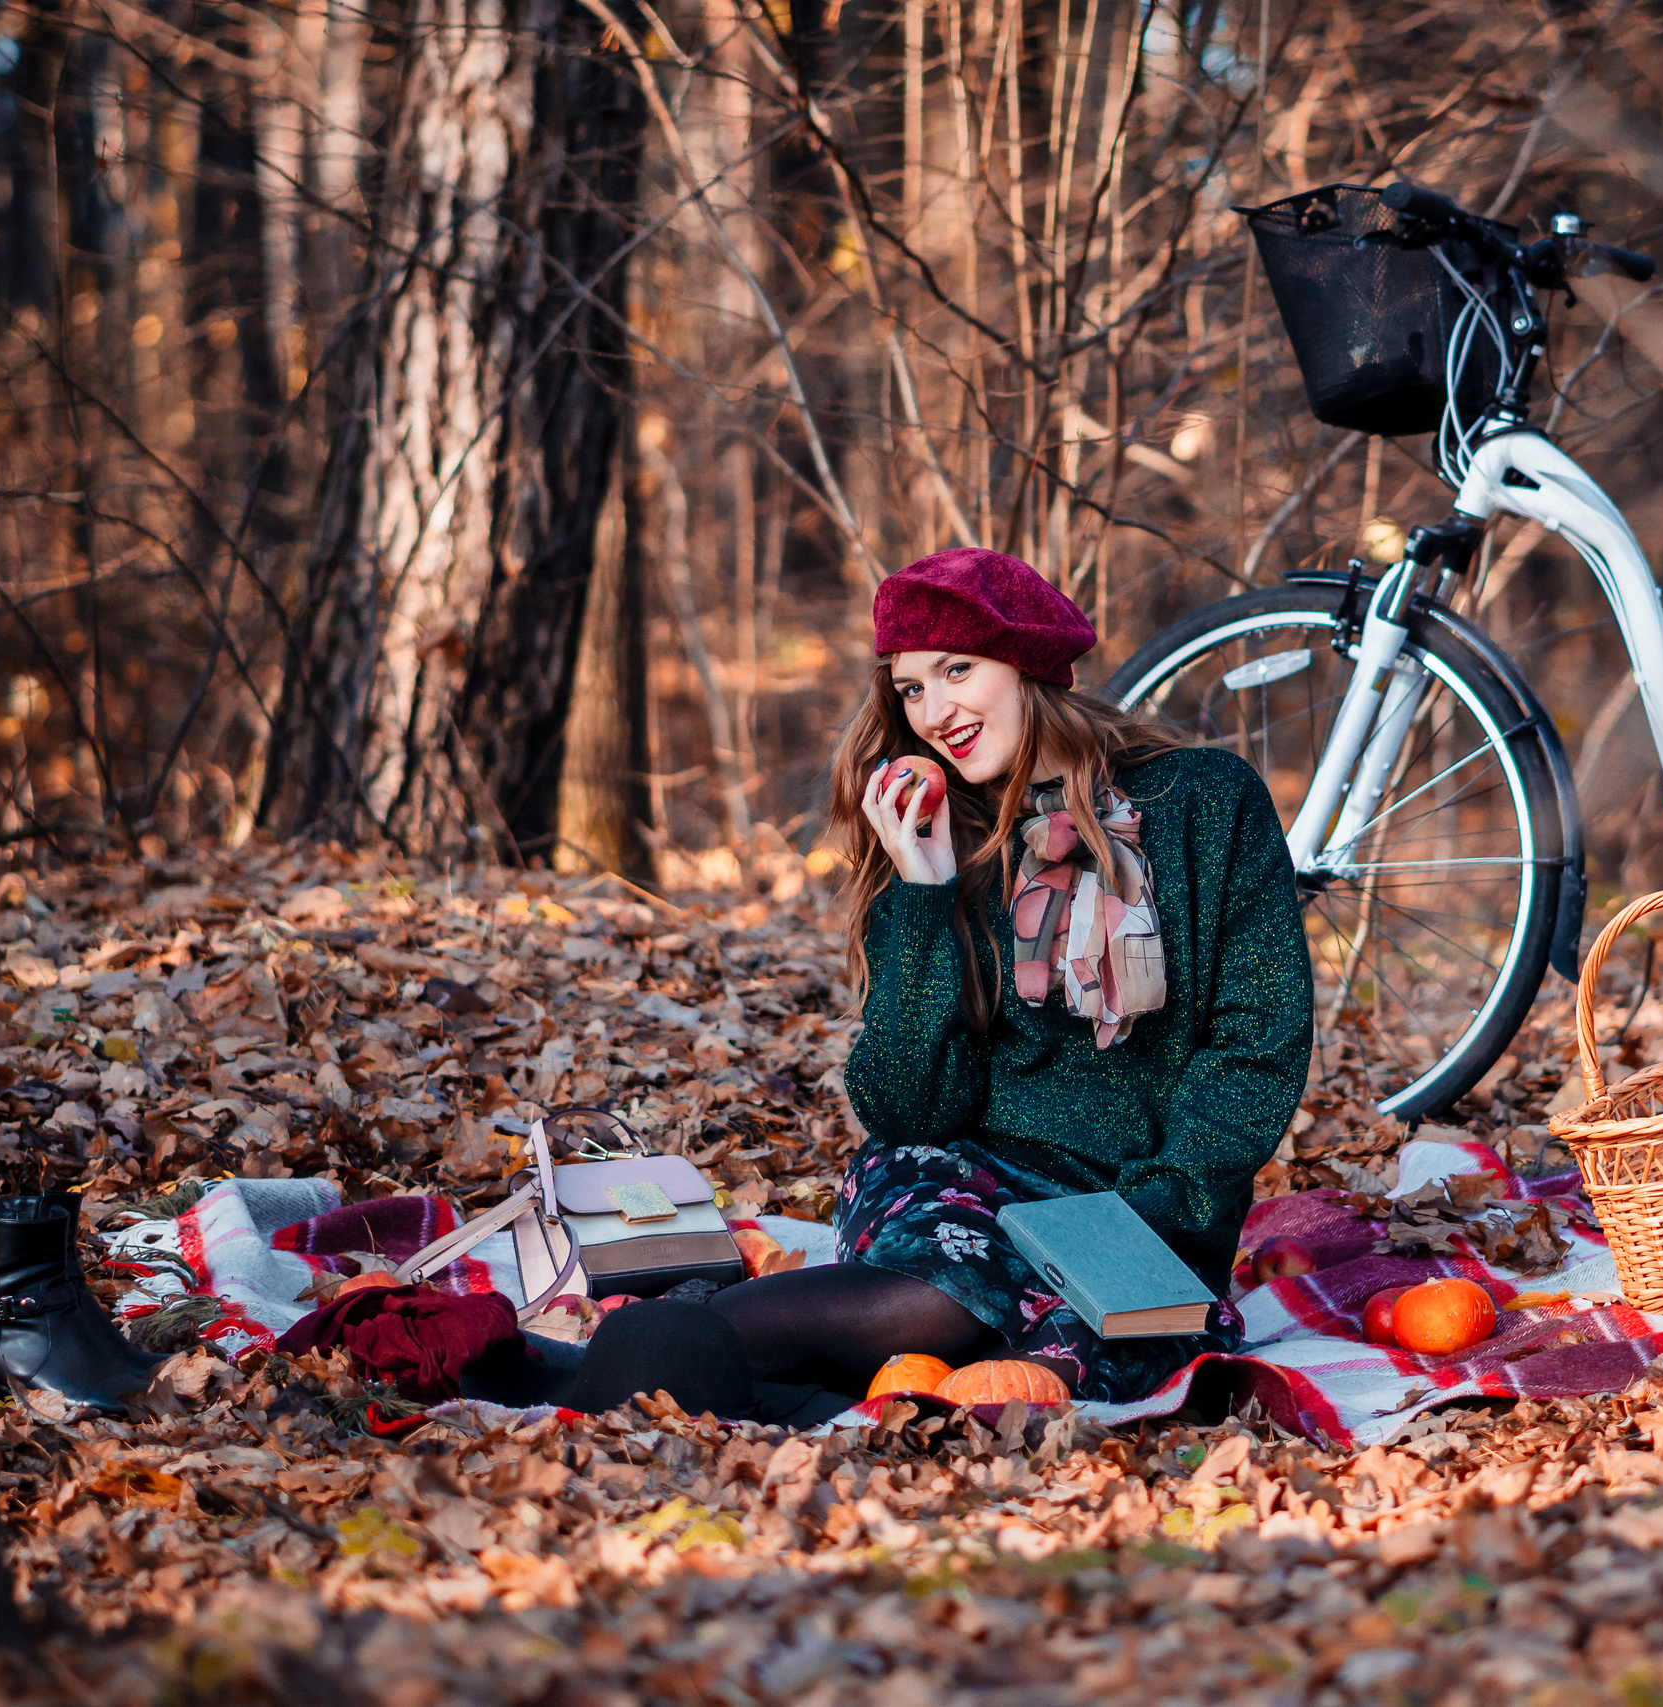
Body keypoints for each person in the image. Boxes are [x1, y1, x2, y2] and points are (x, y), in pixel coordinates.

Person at [516, 547, 1314, 1419]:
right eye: (910, 688)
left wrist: (1145, 1218)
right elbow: (907, 1108)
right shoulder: (940, 833)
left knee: (1049, 1365)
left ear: (1027, 661)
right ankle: (648, 1353)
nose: (934, 713)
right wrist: (927, 892)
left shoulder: (1207, 801)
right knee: (941, 1295)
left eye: (956, 670)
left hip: (1153, 1206)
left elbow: (1256, 1046)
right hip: (963, 1175)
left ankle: (708, 1374)